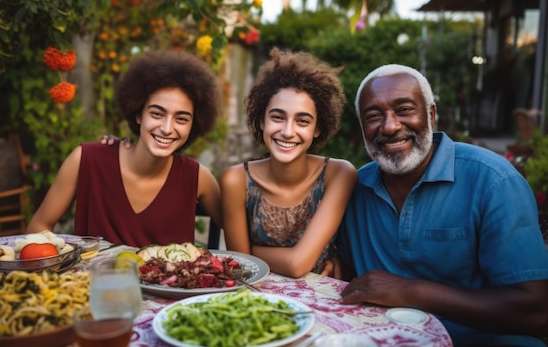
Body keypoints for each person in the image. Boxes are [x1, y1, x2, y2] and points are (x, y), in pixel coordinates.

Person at [337, 64, 548, 346]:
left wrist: (411, 292)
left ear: (431, 114)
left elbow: (535, 312)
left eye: (404, 110)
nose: (389, 126)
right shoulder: (354, 187)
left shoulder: (493, 181)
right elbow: (349, 281)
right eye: (373, 116)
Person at [27, 50, 222, 247]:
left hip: (171, 279)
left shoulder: (198, 178)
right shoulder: (87, 160)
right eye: (157, 114)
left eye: (181, 119)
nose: (166, 128)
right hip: (93, 277)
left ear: (193, 125)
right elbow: (39, 226)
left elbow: (244, 228)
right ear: (138, 114)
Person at [220, 48, 357, 278]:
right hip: (259, 296)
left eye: (302, 121)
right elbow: (242, 267)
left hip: (321, 299)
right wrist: (244, 256)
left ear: (317, 129)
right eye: (277, 117)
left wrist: (250, 252)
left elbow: (296, 265)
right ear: (262, 121)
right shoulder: (236, 180)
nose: (287, 131)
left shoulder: (339, 174)